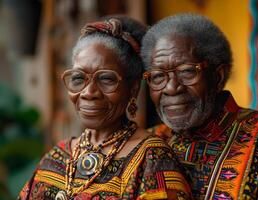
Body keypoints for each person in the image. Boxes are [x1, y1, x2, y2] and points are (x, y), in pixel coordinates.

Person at [18, 16, 191, 200]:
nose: (88, 92)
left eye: (106, 79)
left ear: (133, 89)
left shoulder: (152, 159)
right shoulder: (58, 156)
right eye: (78, 78)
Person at [141, 13, 258, 199]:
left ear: (218, 76)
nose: (171, 87)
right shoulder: (148, 145)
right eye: (158, 76)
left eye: (186, 72)